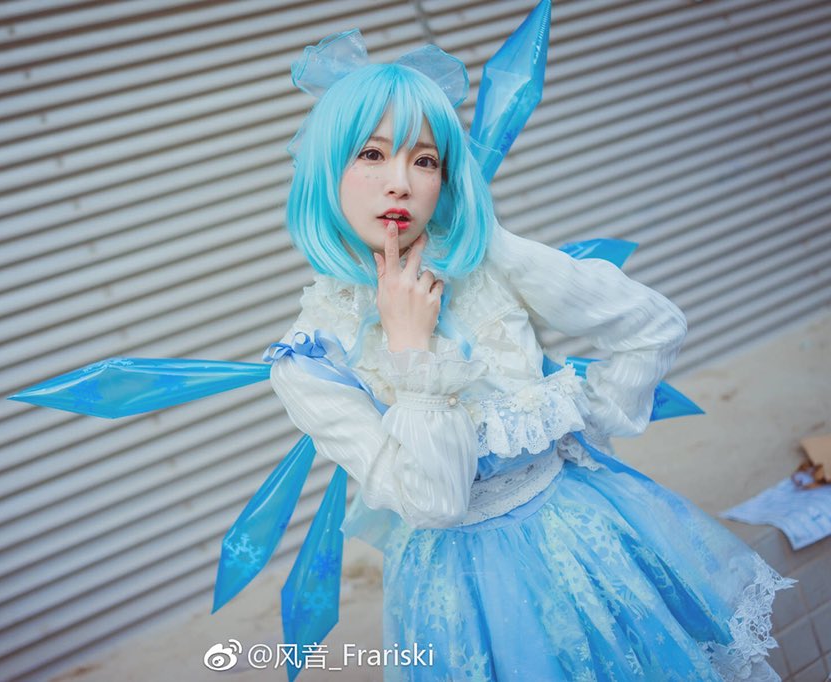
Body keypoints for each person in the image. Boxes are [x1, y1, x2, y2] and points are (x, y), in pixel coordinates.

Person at [265, 29, 796, 682]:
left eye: (425, 160)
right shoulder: (309, 357)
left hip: (590, 539)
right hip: (468, 598)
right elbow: (436, 501)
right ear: (325, 169)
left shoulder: (487, 258)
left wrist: (590, 419)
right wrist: (410, 350)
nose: (400, 183)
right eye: (371, 154)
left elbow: (651, 324)